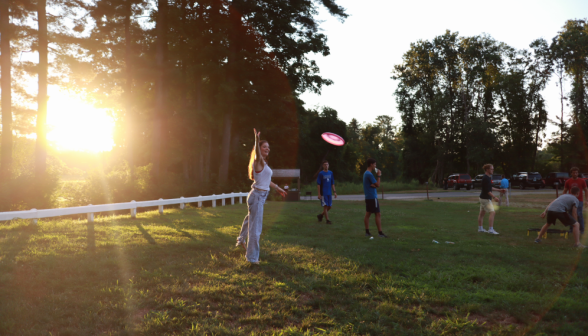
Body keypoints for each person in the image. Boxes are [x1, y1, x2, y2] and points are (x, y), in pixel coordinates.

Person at [236, 128, 287, 264]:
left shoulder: (264, 163)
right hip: (257, 196)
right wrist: (257, 140)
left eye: (268, 147)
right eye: (265, 147)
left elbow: (266, 180)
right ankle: (252, 258)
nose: (268, 149)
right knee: (255, 228)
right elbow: (258, 153)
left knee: (250, 220)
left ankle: (241, 239)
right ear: (258, 149)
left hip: (258, 196)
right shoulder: (258, 160)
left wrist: (278, 188)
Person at [363, 158, 388, 238]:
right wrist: (379, 176)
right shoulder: (369, 174)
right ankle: (380, 233)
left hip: (368, 197)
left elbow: (374, 184)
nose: (375, 166)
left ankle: (367, 232)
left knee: (368, 214)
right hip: (372, 197)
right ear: (371, 164)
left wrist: (374, 185)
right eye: (375, 164)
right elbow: (378, 184)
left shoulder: (366, 173)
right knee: (378, 214)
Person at [478, 164, 504, 234]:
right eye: (491, 169)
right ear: (487, 170)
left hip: (483, 198)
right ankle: (491, 230)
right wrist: (494, 197)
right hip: (485, 198)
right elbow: (487, 190)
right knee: (492, 212)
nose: (493, 170)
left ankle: (480, 228)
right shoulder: (485, 178)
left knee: (482, 214)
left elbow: (490, 188)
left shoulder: (488, 177)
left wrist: (499, 190)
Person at [563, 167, 588, 235]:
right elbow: (565, 191)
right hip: (570, 200)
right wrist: (563, 199)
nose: (575, 174)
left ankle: (582, 230)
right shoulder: (568, 181)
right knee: (570, 215)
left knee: (579, 215)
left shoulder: (582, 181)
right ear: (571, 173)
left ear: (578, 173)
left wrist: (586, 200)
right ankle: (572, 229)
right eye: (573, 173)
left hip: (579, 200)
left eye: (576, 173)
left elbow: (586, 190)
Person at [316, 160, 337, 224]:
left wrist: (335, 192)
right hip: (323, 193)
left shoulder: (331, 173)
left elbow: (332, 183)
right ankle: (327, 220)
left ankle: (321, 215)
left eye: (327, 164)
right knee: (325, 206)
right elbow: (318, 184)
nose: (326, 166)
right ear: (323, 166)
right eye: (325, 164)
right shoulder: (321, 173)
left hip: (329, 192)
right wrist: (319, 194)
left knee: (329, 206)